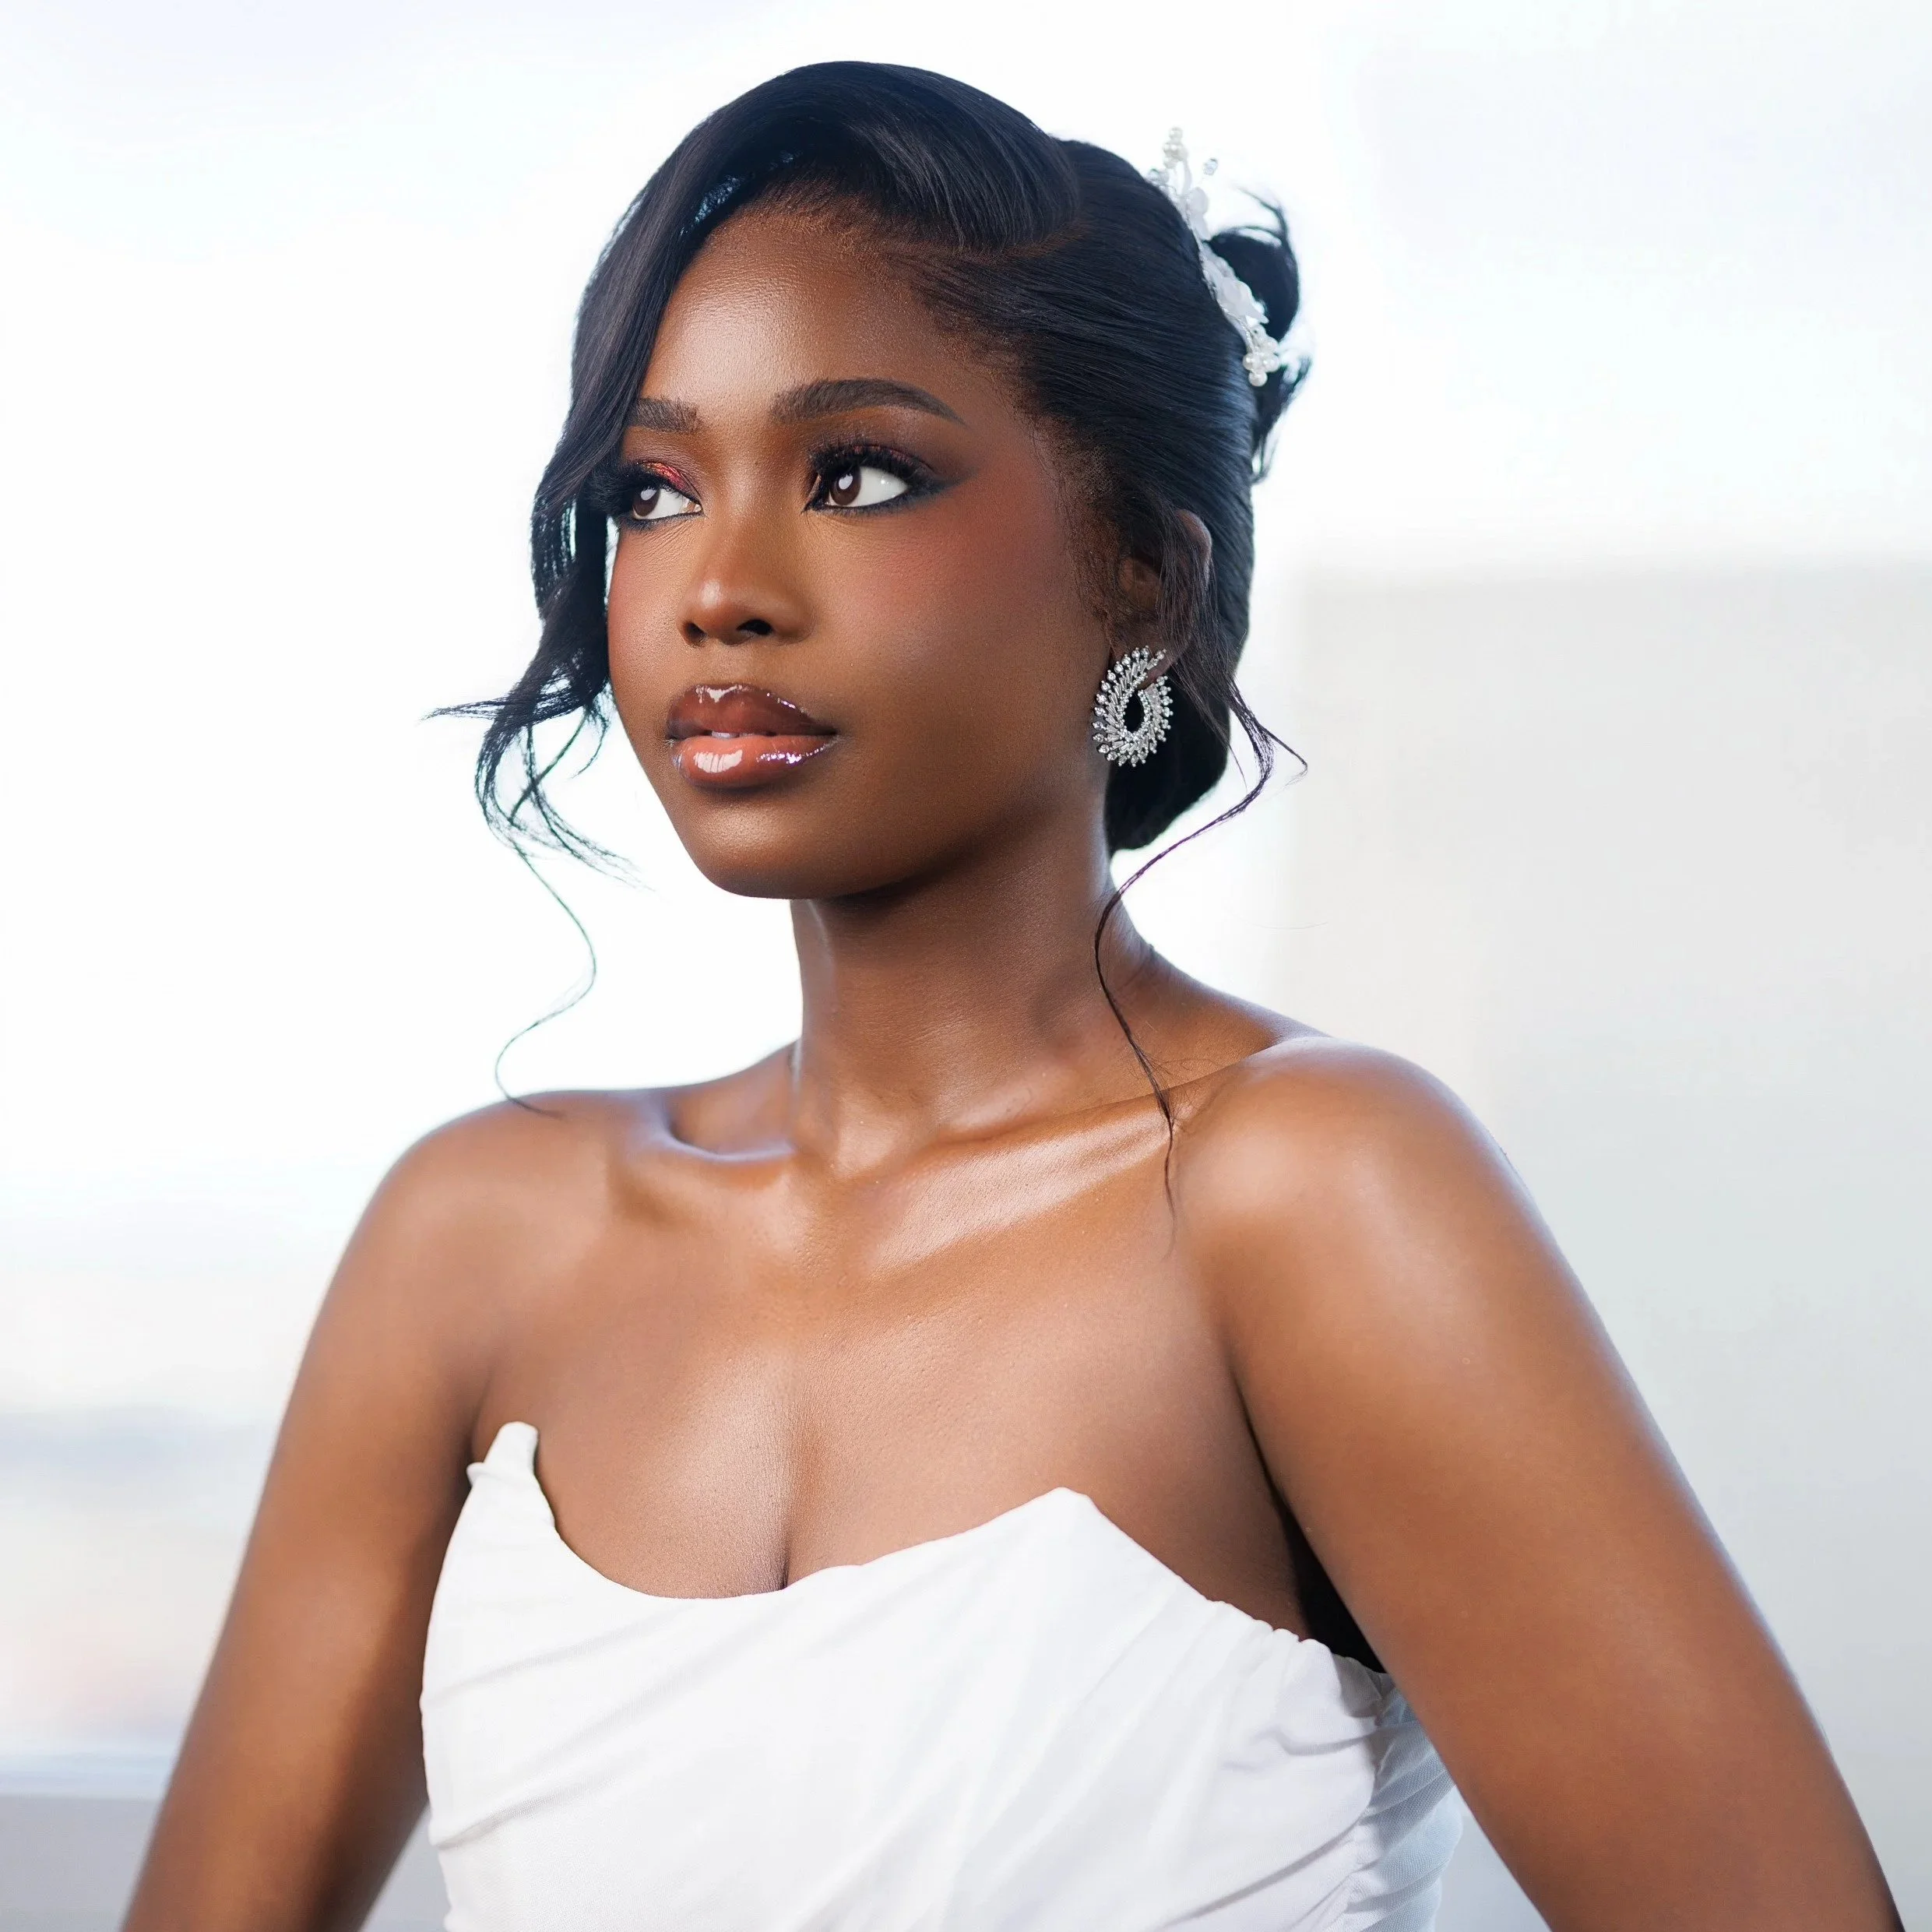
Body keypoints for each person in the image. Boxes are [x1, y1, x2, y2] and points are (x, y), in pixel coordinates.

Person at [123, 62, 1898, 1932]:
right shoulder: (474, 1242)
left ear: (1143, 568)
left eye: (857, 474)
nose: (718, 585)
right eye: (653, 489)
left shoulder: (1308, 1195)